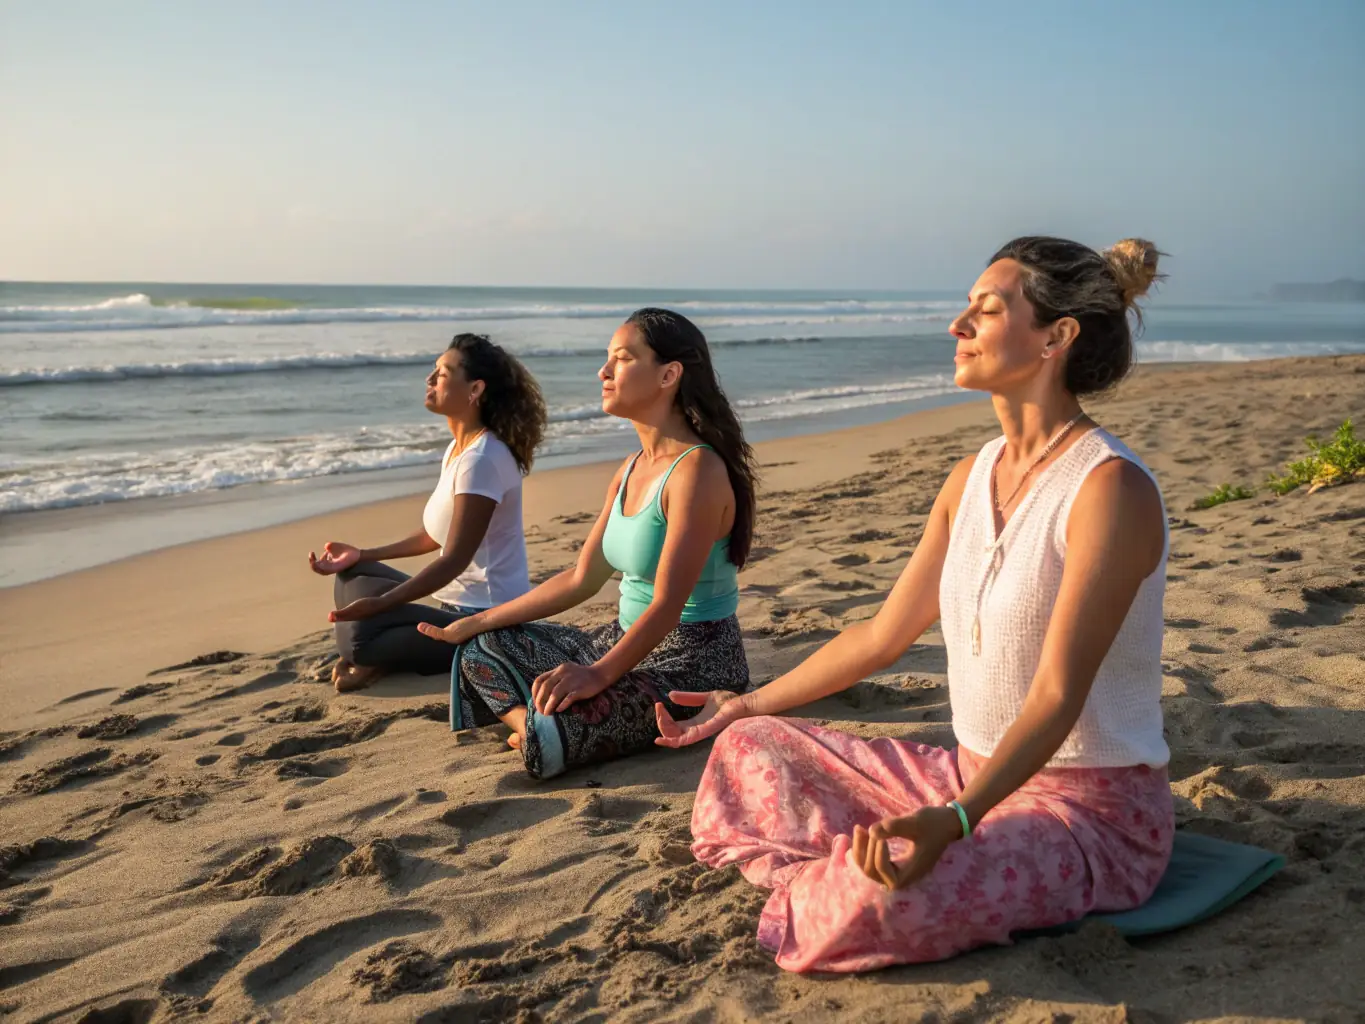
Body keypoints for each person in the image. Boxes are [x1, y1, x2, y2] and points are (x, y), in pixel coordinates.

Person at [655, 237, 1174, 973]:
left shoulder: (1107, 490)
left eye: (986, 311)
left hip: (1081, 816)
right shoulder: (971, 476)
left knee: (872, 900)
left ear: (1056, 337)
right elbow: (881, 635)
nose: (956, 326)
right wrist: (745, 704)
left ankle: (837, 877)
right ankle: (839, 865)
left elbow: (1058, 695)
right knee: (749, 746)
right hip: (966, 778)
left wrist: (959, 821)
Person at [417, 308, 756, 779]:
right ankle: (530, 727)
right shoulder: (630, 468)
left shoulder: (697, 471)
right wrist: (474, 621)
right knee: (482, 648)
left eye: (621, 359)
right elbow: (581, 579)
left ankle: (540, 731)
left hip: (694, 661)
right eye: (606, 359)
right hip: (622, 639)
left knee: (555, 734)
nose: (604, 372)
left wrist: (598, 674)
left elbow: (666, 605)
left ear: (669, 375)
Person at [308, 334, 546, 692]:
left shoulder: (482, 460)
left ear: (475, 389)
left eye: (443, 372)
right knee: (352, 574)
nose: (430, 379)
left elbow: (452, 559)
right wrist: (363, 555)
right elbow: (433, 536)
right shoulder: (459, 449)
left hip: (483, 621)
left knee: (359, 638)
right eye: (434, 370)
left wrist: (383, 603)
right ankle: (380, 649)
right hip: (448, 605)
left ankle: (372, 656)